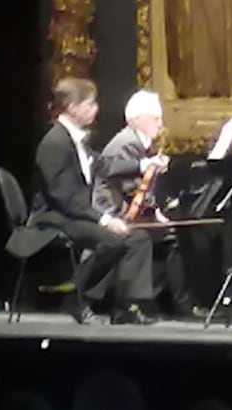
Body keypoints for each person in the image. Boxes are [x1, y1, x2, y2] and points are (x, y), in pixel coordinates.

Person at [30, 77, 157, 325]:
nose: (96, 109)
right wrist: (105, 218)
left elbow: (104, 164)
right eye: (90, 104)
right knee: (112, 239)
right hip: (55, 216)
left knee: (138, 238)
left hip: (74, 213)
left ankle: (125, 307)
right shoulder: (54, 143)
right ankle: (78, 299)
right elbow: (62, 196)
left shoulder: (77, 140)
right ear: (72, 107)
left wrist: (144, 164)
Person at [95, 89, 217, 317]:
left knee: (171, 235)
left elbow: (141, 188)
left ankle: (162, 300)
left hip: (128, 208)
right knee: (166, 238)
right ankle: (167, 302)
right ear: (138, 120)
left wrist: (156, 210)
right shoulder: (126, 143)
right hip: (115, 212)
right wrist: (153, 212)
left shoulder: (141, 144)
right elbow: (130, 187)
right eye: (156, 118)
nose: (161, 124)